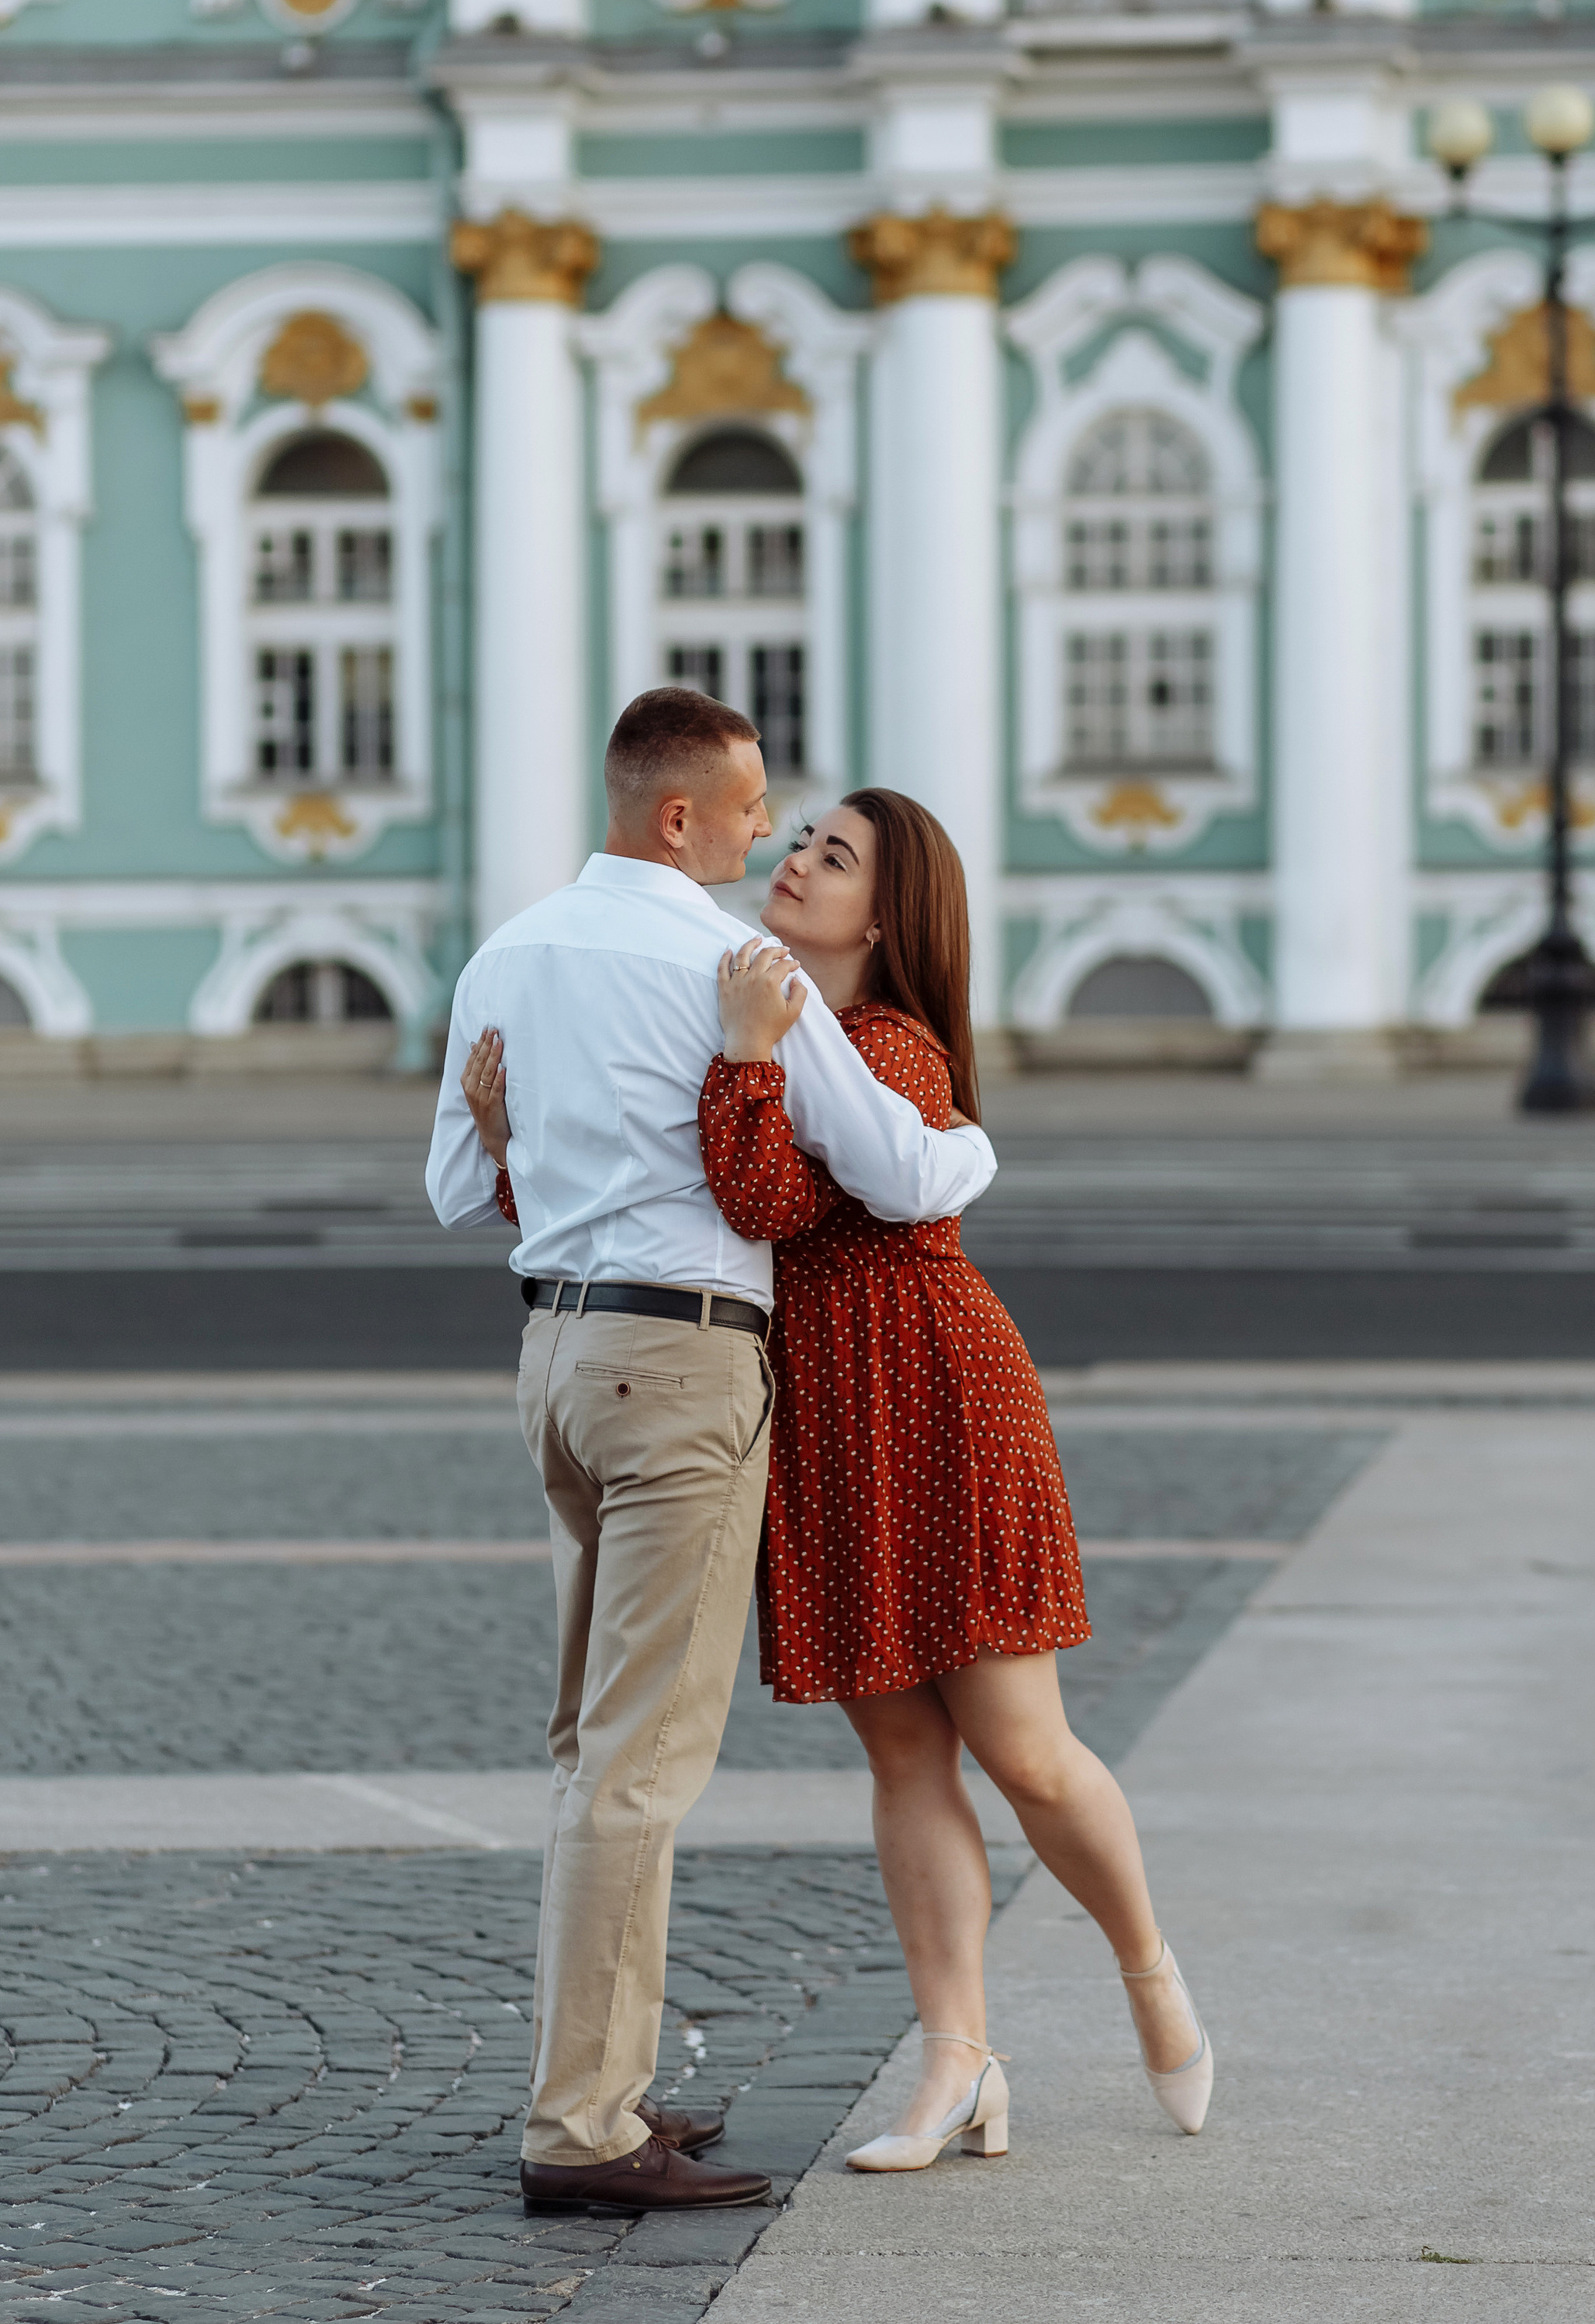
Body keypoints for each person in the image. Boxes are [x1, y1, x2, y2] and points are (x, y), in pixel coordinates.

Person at [427, 692, 998, 2219]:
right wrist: (978, 1151)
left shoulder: (508, 951)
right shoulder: (723, 966)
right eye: (751, 813)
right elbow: (893, 1165)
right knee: (638, 1764)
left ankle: (594, 2087)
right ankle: (580, 2131)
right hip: (677, 1367)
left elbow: (444, 1183)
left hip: (549, 1355)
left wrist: (503, 1136)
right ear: (678, 816)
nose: (762, 841)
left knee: (585, 1746)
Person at [693, 791, 1211, 2167]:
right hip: (824, 1402)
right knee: (904, 1752)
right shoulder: (763, 1022)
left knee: (1023, 1749)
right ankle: (956, 2065)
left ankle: (1150, 1970)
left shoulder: (894, 1047)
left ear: (890, 913)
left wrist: (757, 1055)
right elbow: (727, 1201)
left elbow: (791, 1196)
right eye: (798, 839)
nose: (796, 861)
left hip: (933, 1387)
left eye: (834, 856)